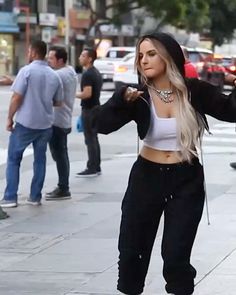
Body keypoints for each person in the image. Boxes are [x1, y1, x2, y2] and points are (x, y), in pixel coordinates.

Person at [92, 32, 236, 295]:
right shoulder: (138, 96)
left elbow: (231, 111)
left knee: (176, 254)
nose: (143, 60)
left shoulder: (195, 91)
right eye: (140, 55)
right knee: (132, 250)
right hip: (146, 178)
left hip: (186, 179)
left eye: (151, 53)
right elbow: (100, 125)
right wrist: (119, 101)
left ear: (168, 56)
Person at [0, 40, 63, 208]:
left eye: (29, 51)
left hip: (26, 123)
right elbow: (58, 102)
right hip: (45, 124)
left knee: (14, 158)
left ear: (33, 53)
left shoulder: (26, 71)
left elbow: (16, 97)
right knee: (40, 160)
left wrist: (9, 118)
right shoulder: (54, 75)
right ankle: (35, 197)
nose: (27, 54)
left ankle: (10, 197)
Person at [45, 46, 77, 200]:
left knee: (59, 154)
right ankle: (63, 186)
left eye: (51, 58)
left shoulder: (58, 75)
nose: (48, 61)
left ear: (60, 60)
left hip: (57, 120)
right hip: (65, 118)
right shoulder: (70, 72)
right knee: (61, 154)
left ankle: (63, 187)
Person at [76, 47, 103, 177]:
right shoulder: (96, 72)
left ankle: (92, 166)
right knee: (94, 138)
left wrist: (73, 94)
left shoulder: (87, 74)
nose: (80, 58)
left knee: (90, 139)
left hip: (89, 109)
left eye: (82, 56)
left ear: (89, 58)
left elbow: (87, 94)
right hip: (96, 107)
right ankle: (96, 165)